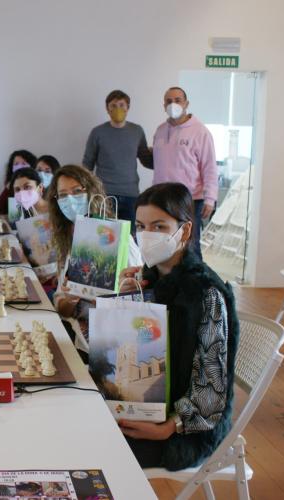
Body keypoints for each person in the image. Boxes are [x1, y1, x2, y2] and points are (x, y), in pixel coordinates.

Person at [118, 182, 238, 471]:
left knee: (93, 448)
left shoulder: (205, 292)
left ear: (184, 231)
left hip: (187, 430)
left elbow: (210, 390)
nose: (147, 235)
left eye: (159, 227)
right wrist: (126, 302)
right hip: (145, 407)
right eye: (141, 226)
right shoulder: (148, 281)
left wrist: (167, 428)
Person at [47, 165, 142, 357]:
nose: (70, 200)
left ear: (91, 192)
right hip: (80, 338)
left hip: (117, 343)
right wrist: (71, 299)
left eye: (77, 191)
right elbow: (62, 308)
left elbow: (137, 304)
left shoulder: (120, 240)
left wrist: (103, 298)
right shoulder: (71, 241)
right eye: (63, 195)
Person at [151, 87, 218, 258]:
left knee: (190, 246)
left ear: (186, 103)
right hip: (162, 199)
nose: (173, 104)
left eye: (177, 100)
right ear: (163, 105)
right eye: (168, 101)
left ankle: (196, 276)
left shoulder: (200, 132)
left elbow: (210, 167)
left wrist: (210, 199)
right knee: (164, 245)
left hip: (190, 200)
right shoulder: (160, 130)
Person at [83, 90, 152, 233]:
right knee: (102, 238)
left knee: (130, 238)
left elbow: (145, 158)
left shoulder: (137, 131)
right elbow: (87, 164)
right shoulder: (97, 132)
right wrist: (86, 191)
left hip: (131, 195)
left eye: (121, 105)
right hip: (104, 194)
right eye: (113, 105)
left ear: (128, 107)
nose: (118, 109)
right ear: (107, 109)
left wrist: (163, 155)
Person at [10, 168, 58, 298]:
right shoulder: (19, 212)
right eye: (17, 190)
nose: (22, 193)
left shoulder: (56, 211)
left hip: (57, 279)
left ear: (40, 188)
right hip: (33, 275)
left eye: (27, 187)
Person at [0, 149, 37, 215]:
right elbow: (0, 210)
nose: (20, 167)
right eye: (16, 164)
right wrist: (7, 188)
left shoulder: (36, 185)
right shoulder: (12, 185)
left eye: (23, 163)